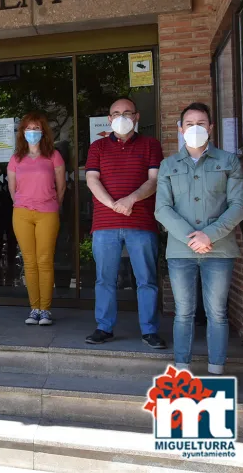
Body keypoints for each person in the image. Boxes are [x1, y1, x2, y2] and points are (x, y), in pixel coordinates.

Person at [155, 102, 243, 374]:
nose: (196, 128)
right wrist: (190, 237)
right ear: (180, 129)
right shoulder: (168, 165)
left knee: (217, 313)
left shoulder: (228, 161)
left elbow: (239, 205)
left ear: (211, 128)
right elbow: (162, 208)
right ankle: (182, 370)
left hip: (219, 250)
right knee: (183, 312)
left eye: (201, 123)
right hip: (181, 251)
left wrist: (210, 235)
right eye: (190, 124)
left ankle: (216, 371)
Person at [84, 98, 166, 349]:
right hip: (105, 222)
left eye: (127, 112)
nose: (122, 117)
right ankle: (104, 327)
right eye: (116, 113)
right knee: (105, 279)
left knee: (147, 279)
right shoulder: (97, 147)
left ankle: (150, 330)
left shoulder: (151, 145)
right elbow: (91, 181)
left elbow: (154, 180)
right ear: (109, 119)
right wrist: (114, 205)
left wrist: (130, 200)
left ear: (137, 116)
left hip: (141, 222)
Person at [8, 112, 65, 326]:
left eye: (36, 128)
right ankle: (34, 309)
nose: (32, 132)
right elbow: (12, 189)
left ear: (43, 132)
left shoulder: (54, 155)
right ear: (22, 132)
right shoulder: (16, 158)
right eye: (28, 128)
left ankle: (46, 310)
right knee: (30, 262)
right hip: (22, 213)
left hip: (47, 212)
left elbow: (61, 186)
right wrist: (24, 202)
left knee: (44, 261)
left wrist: (51, 203)